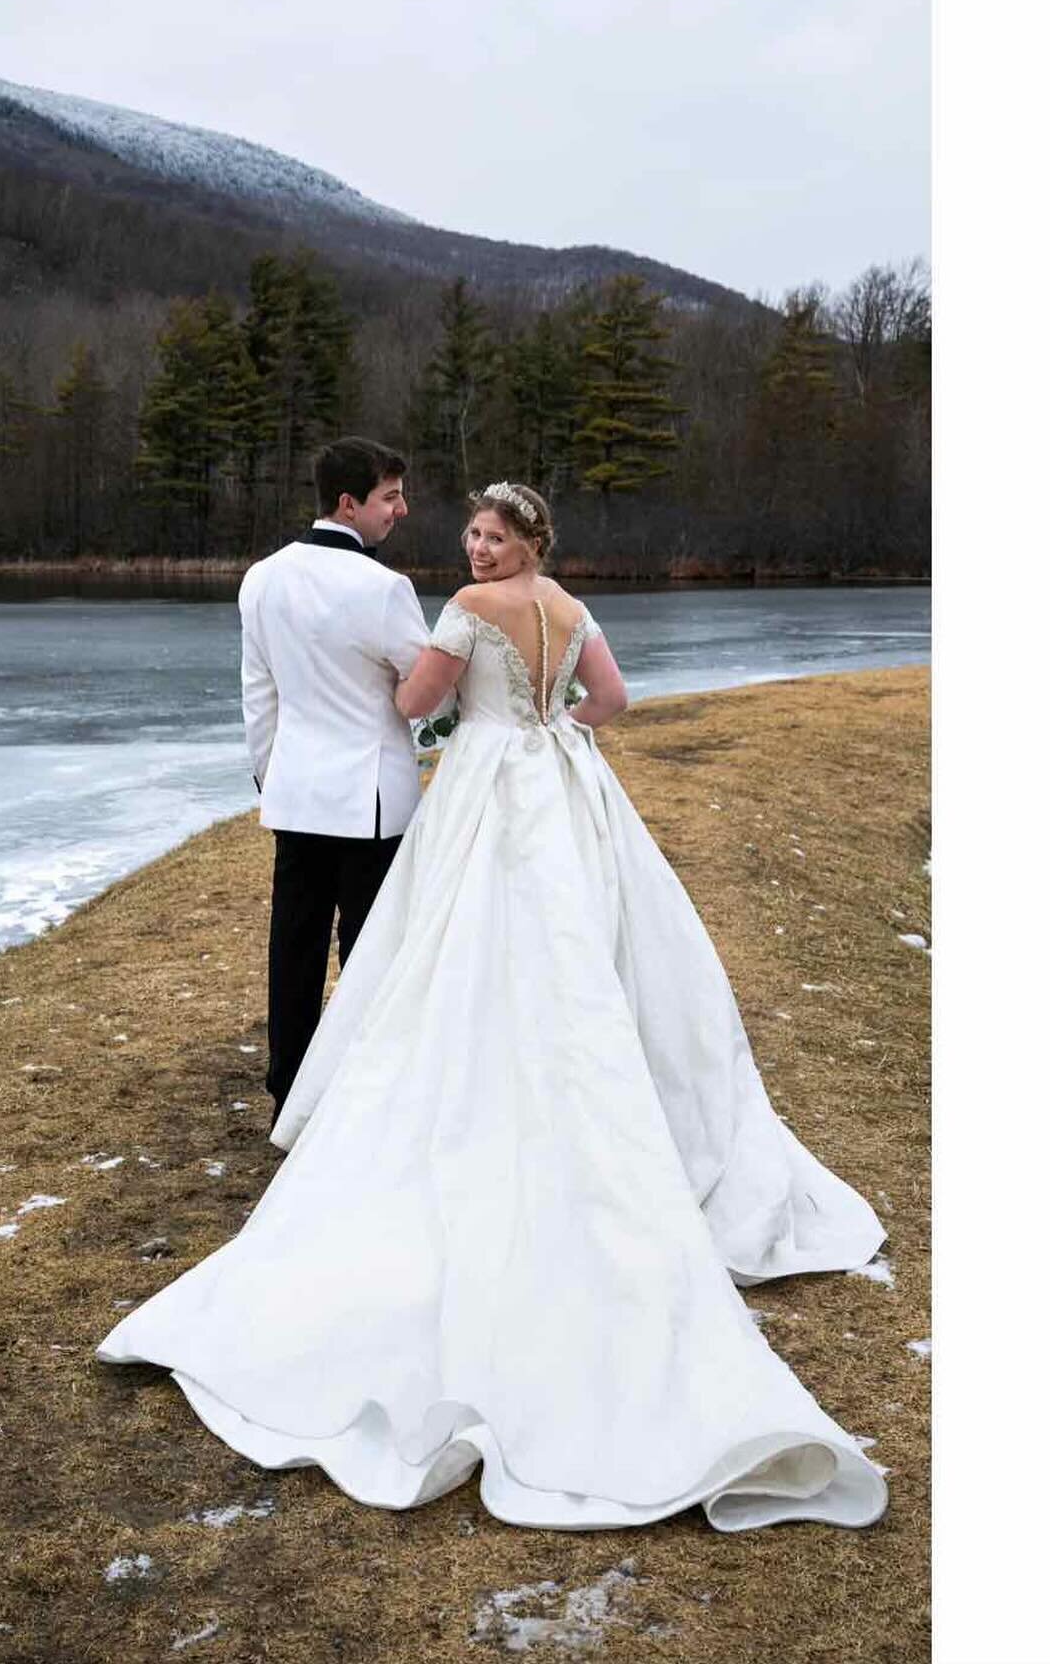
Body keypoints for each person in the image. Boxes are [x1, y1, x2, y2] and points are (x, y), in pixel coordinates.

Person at [98, 482, 889, 1532]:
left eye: (493, 535)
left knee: (462, 951)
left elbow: (414, 704)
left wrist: (398, 692)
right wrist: (552, 723)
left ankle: (479, 1095)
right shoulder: (569, 607)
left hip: (482, 788)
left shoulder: (470, 614)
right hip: (562, 782)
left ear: (526, 541)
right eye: (470, 533)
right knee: (583, 949)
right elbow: (612, 703)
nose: (475, 547)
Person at [235, 435, 433, 1122]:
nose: (400, 510)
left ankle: (289, 1090)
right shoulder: (385, 590)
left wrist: (271, 774)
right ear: (348, 503)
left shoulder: (262, 577)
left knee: (293, 947)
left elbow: (259, 695)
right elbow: (425, 689)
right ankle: (365, 1093)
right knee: (370, 951)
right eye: (389, 497)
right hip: (372, 799)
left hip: (296, 792)